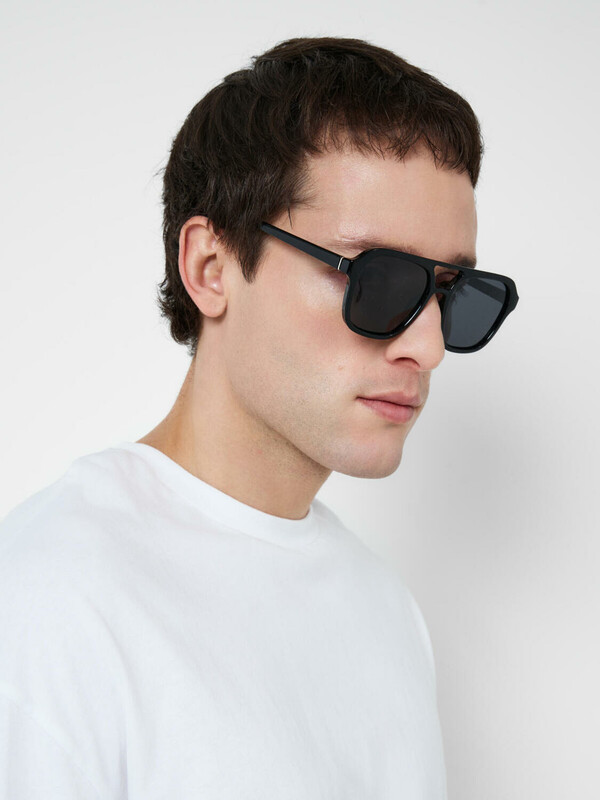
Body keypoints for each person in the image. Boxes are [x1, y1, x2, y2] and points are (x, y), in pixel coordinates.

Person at [0, 36, 518, 799]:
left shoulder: (383, 610)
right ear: (210, 268)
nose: (428, 346)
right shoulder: (46, 604)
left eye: (450, 293)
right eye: (377, 280)